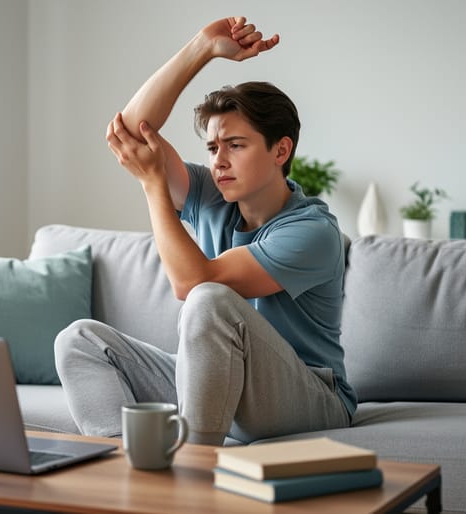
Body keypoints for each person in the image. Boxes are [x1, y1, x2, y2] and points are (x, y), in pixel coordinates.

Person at [54, 16, 356, 446]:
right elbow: (132, 132)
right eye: (213, 147)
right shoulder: (214, 196)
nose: (219, 161)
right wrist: (201, 48)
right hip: (219, 387)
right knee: (80, 339)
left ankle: (193, 471)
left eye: (236, 145)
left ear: (280, 150)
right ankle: (122, 470)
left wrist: (154, 185)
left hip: (310, 399)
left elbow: (192, 282)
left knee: (209, 298)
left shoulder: (312, 232)